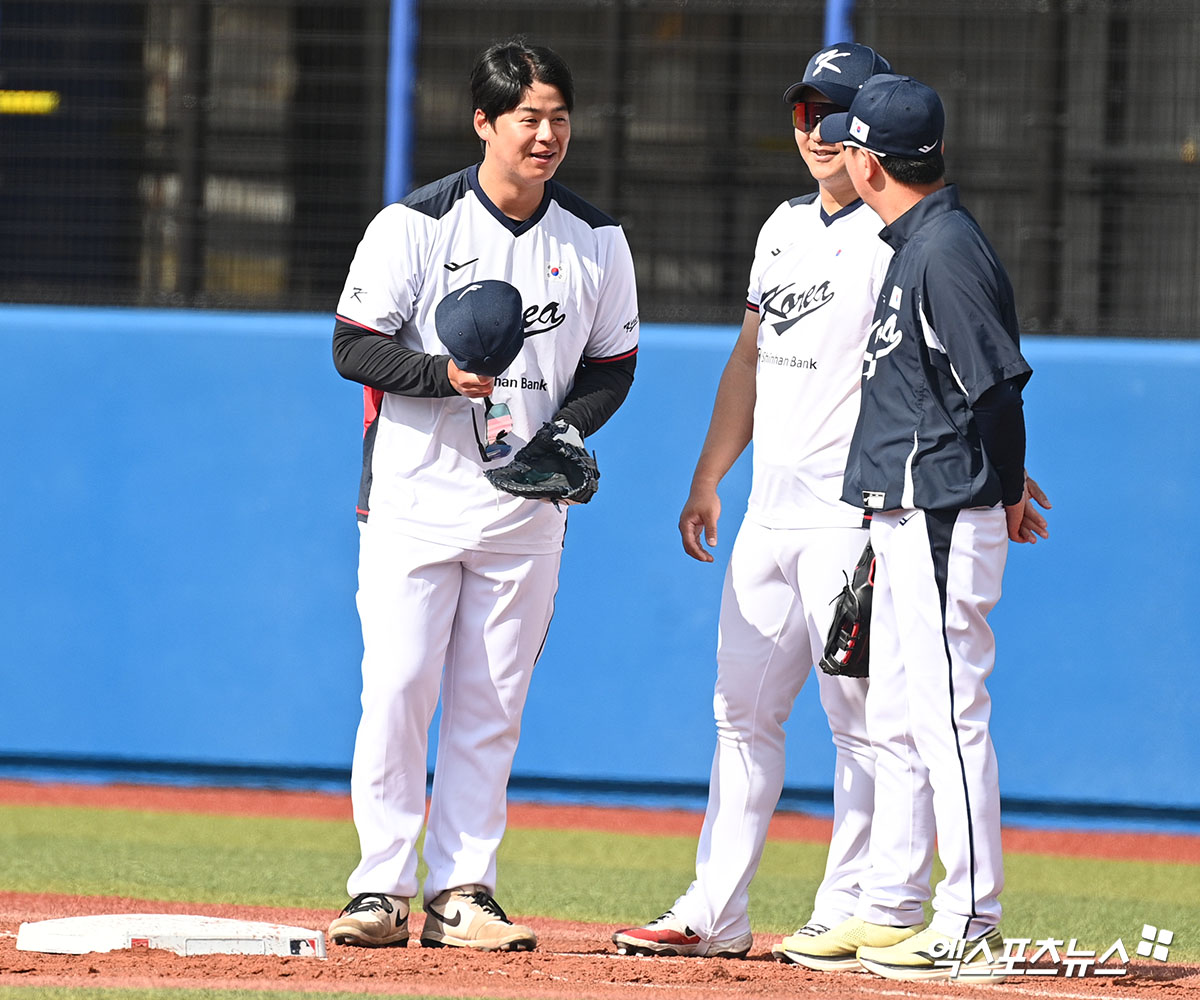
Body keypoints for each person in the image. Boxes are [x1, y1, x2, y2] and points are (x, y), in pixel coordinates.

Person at [327, 37, 639, 953]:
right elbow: (351, 344)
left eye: (559, 119)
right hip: (413, 500)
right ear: (483, 122)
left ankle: (463, 890)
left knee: (491, 705)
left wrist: (565, 430)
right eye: (527, 118)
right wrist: (442, 375)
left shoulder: (596, 240)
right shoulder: (414, 224)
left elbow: (613, 365)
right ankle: (380, 888)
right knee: (397, 690)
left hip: (525, 510)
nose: (546, 136)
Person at [611, 41, 897, 961]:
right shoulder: (781, 225)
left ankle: (848, 908)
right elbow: (749, 358)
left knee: (859, 724)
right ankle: (716, 911)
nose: (819, 129)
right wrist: (708, 478)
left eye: (838, 112)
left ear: (875, 126)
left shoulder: (901, 234)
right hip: (768, 516)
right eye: (807, 112)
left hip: (852, 519)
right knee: (739, 716)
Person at [782, 74, 1040, 982]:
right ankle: (891, 905)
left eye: (848, 143)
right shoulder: (917, 241)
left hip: (939, 514)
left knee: (948, 716)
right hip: (904, 510)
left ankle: (968, 917)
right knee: (896, 717)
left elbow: (996, 387)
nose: (838, 154)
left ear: (869, 161)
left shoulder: (944, 250)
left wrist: (1003, 488)